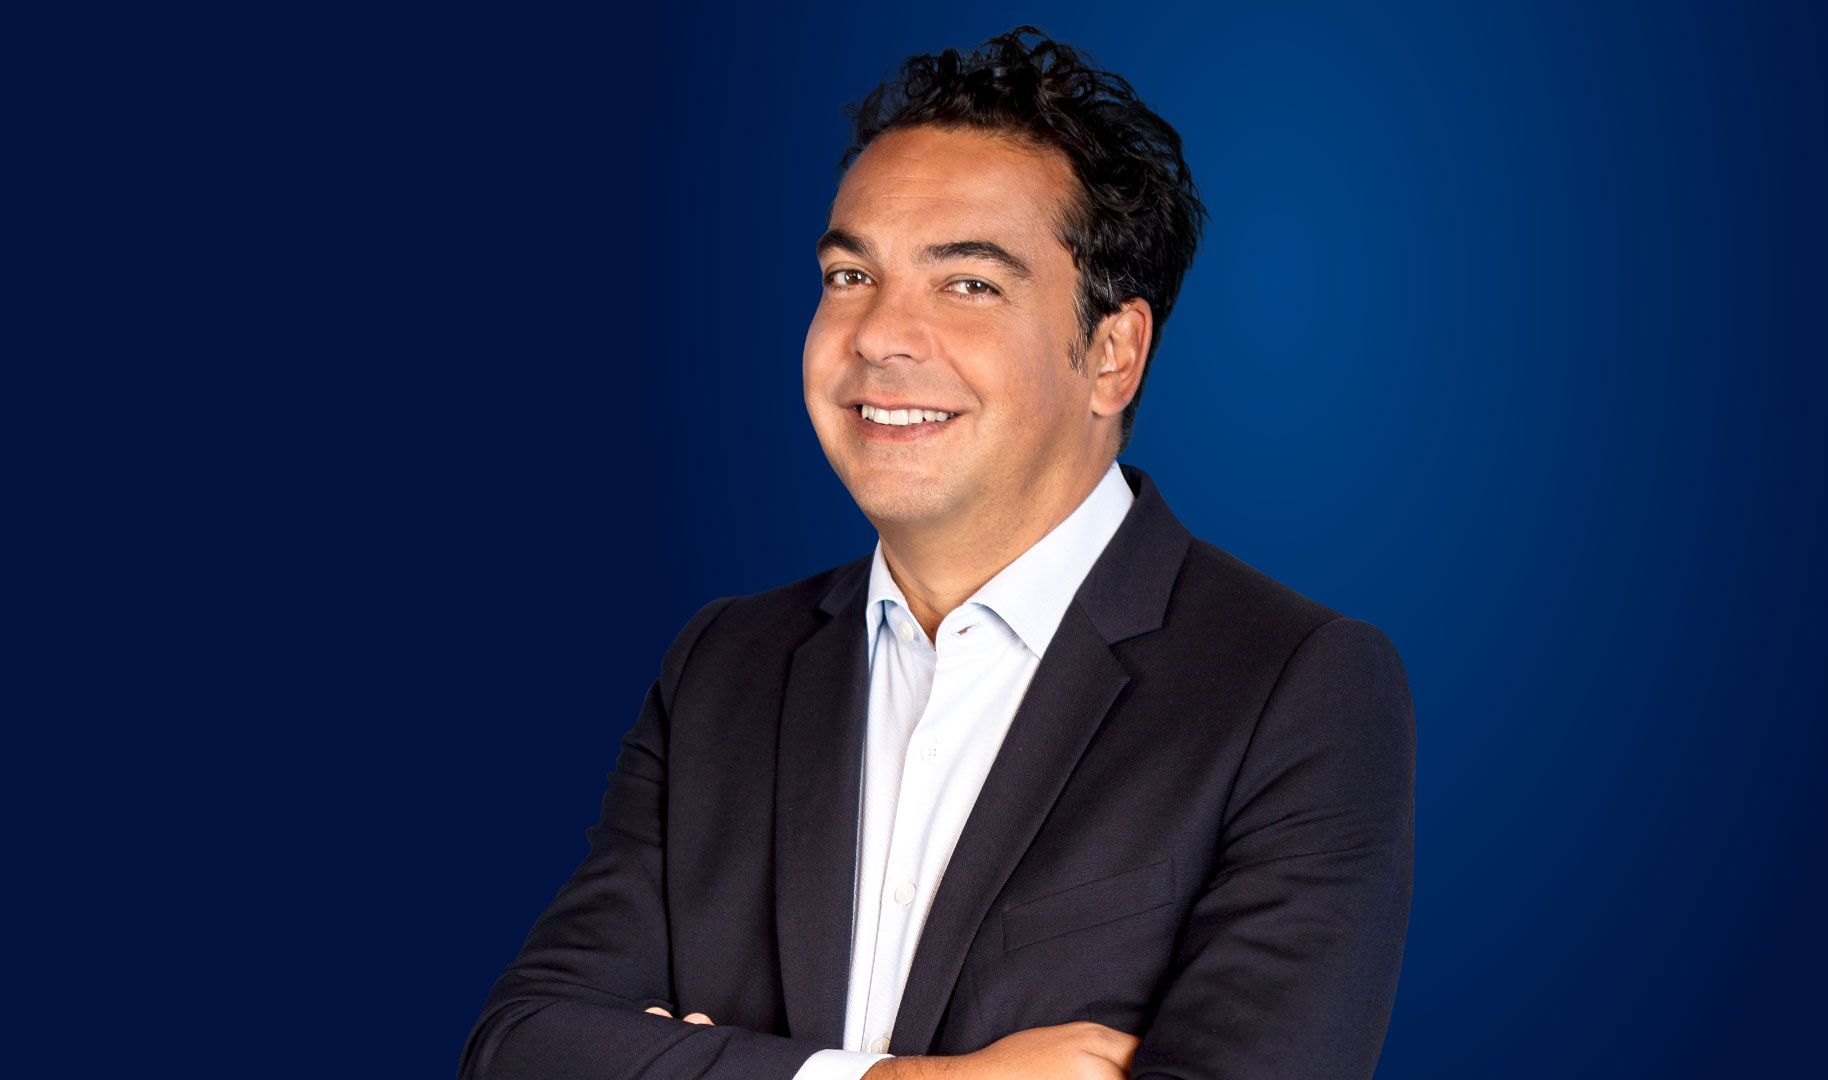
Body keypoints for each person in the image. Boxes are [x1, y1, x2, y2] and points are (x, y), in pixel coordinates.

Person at [461, 25, 1414, 1080]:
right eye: (849, 274)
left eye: (967, 284)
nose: (878, 335)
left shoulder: (1295, 688)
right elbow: (521, 1048)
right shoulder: (723, 665)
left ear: (1113, 353)